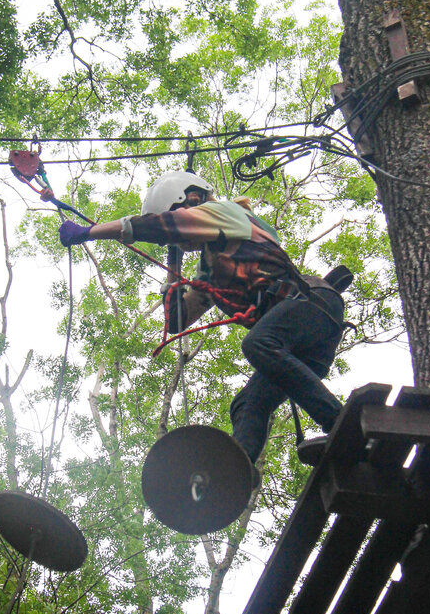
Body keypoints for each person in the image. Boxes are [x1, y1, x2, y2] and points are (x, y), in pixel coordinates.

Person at [56, 171, 351, 477]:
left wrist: (89, 232)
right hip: (300, 334)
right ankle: (237, 475)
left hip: (311, 305)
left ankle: (338, 422)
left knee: (258, 344)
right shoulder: (212, 266)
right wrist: (173, 264)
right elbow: (177, 320)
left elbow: (158, 226)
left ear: (192, 200)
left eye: (179, 217)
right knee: (247, 404)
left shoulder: (228, 213)